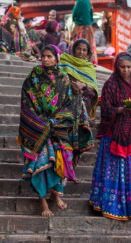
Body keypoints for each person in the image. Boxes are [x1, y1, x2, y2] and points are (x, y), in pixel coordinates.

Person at [17, 45, 94, 217]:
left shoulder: (64, 78)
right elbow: (26, 100)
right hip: (38, 128)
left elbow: (70, 102)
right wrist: (41, 122)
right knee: (41, 164)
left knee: (64, 159)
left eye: (49, 56)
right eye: (43, 56)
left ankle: (56, 194)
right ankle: (43, 203)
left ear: (56, 58)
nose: (45, 59)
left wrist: (58, 120)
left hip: (59, 127)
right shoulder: (33, 77)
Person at [89, 52, 131, 220]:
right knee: (113, 170)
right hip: (113, 136)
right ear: (117, 68)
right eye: (122, 67)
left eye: (129, 67)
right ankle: (109, 206)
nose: (126, 70)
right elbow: (105, 110)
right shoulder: (110, 85)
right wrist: (120, 109)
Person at [59, 38, 98, 117]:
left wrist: (83, 85)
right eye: (78, 49)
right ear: (73, 50)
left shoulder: (89, 67)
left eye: (84, 50)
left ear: (87, 53)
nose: (81, 52)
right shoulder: (64, 61)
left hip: (83, 99)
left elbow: (93, 89)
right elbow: (57, 79)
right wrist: (71, 86)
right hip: (65, 97)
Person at [71, 0, 97, 64]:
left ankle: (78, 63)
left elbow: (74, 13)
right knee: (90, 45)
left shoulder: (79, 2)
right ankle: (92, 62)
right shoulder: (88, 1)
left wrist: (75, 20)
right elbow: (91, 15)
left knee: (78, 46)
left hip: (79, 27)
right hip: (89, 27)